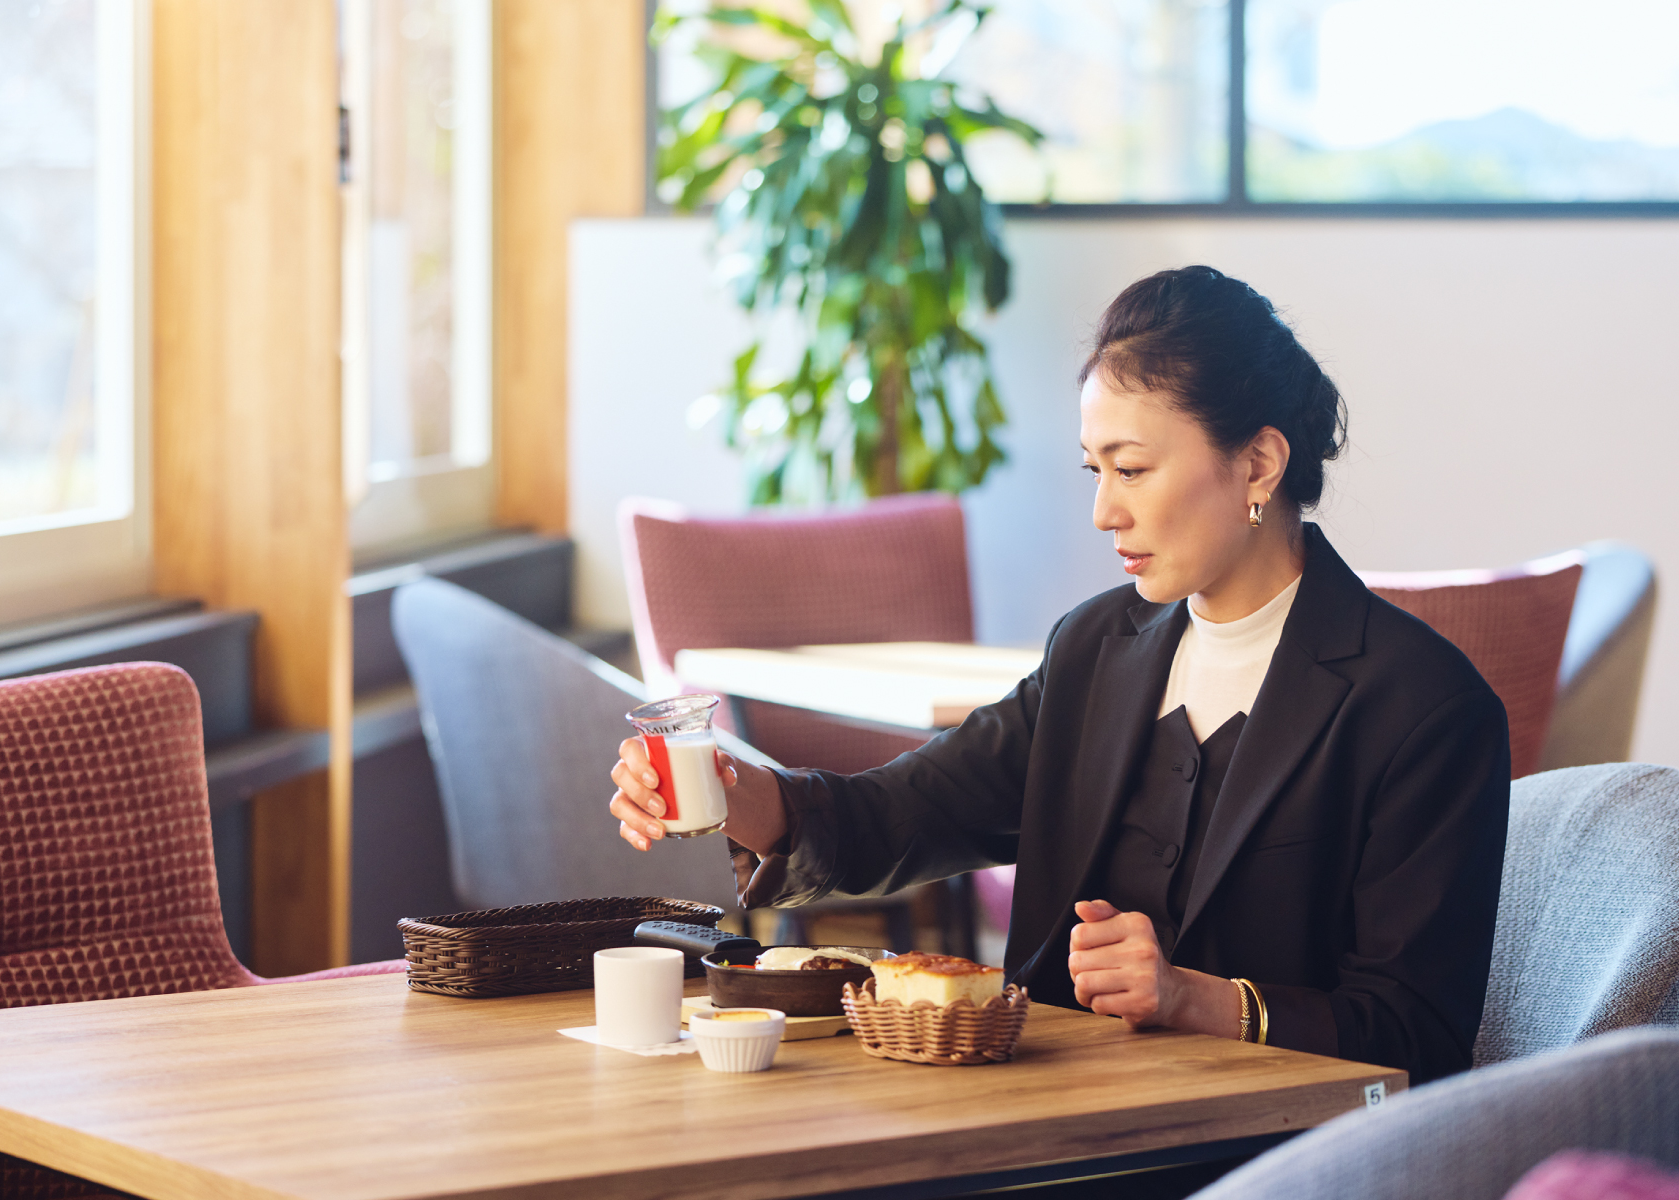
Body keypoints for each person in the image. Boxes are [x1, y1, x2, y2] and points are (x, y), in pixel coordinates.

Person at [610, 266, 1510, 1084]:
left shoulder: (1423, 707)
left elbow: (1420, 1035)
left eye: (1133, 469)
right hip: (1046, 1112)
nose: (1103, 511)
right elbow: (904, 814)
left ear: (1259, 464)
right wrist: (741, 797)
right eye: (1095, 470)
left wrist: (1198, 1000)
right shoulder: (1095, 649)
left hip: (1266, 1155)